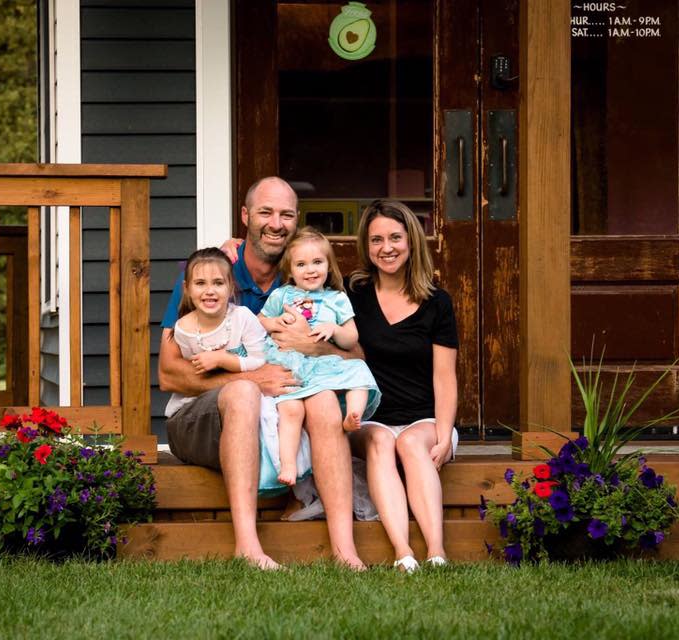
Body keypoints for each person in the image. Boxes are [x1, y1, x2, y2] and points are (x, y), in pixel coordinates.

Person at [157, 176, 365, 570]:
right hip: (199, 417)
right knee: (243, 393)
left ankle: (344, 550)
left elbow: (356, 356)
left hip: (281, 412)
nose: (276, 223)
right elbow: (168, 373)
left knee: (322, 402)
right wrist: (254, 379)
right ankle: (248, 548)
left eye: (286, 214)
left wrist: (312, 345)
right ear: (245, 216)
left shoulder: (305, 279)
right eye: (266, 212)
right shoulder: (210, 275)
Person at [345, 200, 460, 573]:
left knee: (410, 443)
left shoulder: (436, 302)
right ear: (367, 245)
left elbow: (444, 375)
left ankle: (437, 552)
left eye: (395, 237)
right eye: (376, 239)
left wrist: (443, 434)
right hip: (374, 417)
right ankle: (402, 552)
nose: (386, 247)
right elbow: (304, 275)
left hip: (423, 418)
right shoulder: (354, 294)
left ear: (411, 240)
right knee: (382, 442)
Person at [258, 227, 380, 486]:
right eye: (301, 264)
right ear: (291, 271)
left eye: (317, 262)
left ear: (329, 265)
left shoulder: (337, 298)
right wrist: (274, 322)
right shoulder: (282, 295)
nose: (310, 270)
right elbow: (259, 321)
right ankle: (288, 464)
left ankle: (353, 417)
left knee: (359, 371)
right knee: (291, 410)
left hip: (323, 365)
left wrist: (334, 328)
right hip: (291, 364)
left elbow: (351, 338)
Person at [163, 248, 266, 417]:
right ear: (187, 288)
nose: (209, 290)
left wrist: (221, 359)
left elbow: (260, 360)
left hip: (248, 397)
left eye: (218, 283)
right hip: (203, 403)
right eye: (200, 283)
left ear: (231, 287)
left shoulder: (243, 318)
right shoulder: (183, 330)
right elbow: (194, 375)